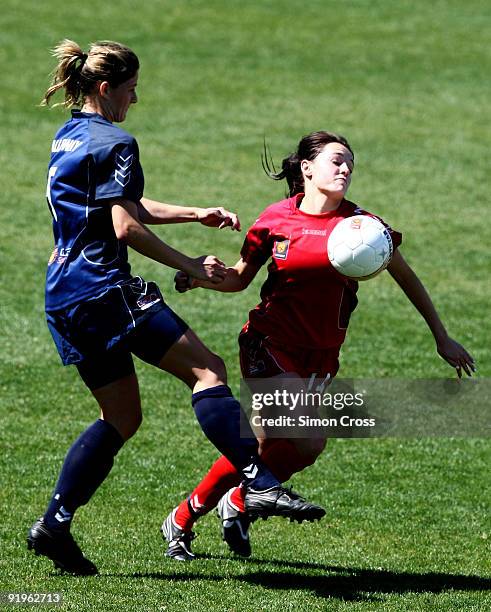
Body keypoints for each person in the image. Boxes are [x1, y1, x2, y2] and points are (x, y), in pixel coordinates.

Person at [27, 40, 325, 575]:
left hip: (64, 295)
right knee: (207, 370)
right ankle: (258, 481)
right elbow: (124, 226)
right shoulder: (118, 140)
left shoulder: (67, 136)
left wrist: (193, 213)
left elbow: (122, 206)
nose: (134, 99)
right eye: (131, 89)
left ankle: (55, 523)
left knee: (120, 416)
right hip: (103, 287)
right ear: (106, 89)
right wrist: (188, 264)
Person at [163, 130, 475, 560]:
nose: (345, 168)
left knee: (258, 446)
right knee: (310, 439)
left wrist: (441, 336)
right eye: (336, 160)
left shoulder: (364, 228)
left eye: (350, 162)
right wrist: (199, 278)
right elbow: (239, 278)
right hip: (269, 343)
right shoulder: (275, 219)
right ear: (307, 169)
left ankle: (190, 515)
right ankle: (240, 501)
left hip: (321, 355)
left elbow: (406, 276)